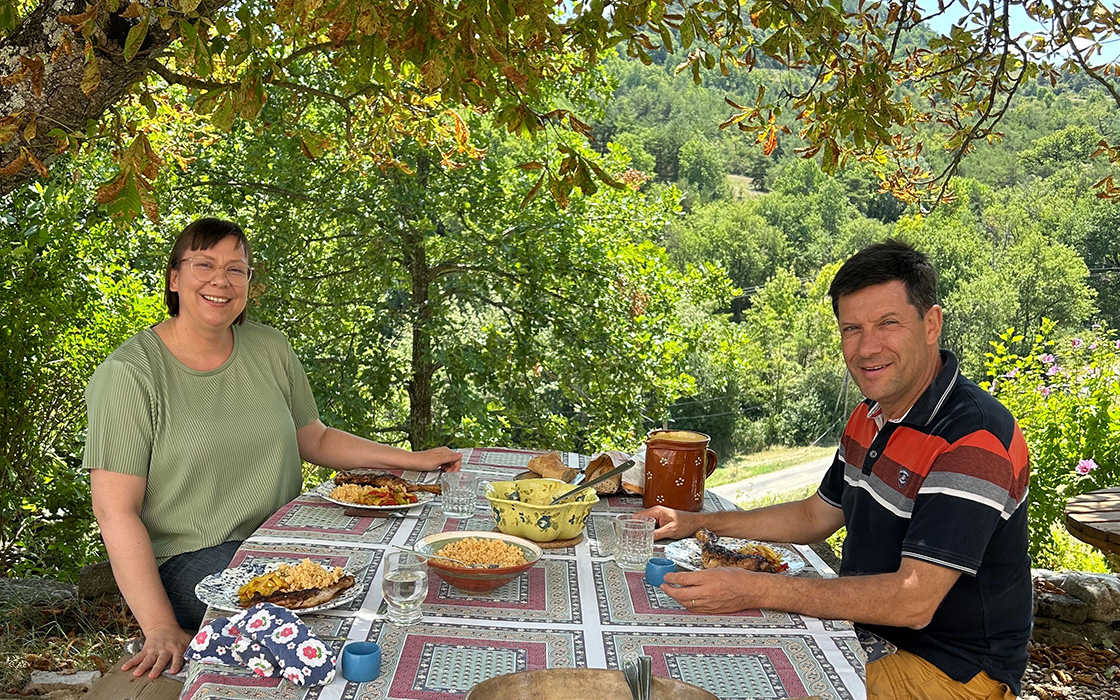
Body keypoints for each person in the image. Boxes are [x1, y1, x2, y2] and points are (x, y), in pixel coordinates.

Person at [641, 240, 1031, 699]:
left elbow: (913, 601)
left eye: (888, 323)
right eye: (852, 328)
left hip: (949, 670)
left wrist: (753, 589)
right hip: (866, 633)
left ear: (931, 324)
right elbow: (814, 516)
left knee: (732, 683)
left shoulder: (973, 437)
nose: (867, 348)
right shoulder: (870, 415)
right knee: (697, 662)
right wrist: (698, 523)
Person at [84, 218, 461, 679]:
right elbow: (114, 511)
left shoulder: (269, 347)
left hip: (287, 535)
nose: (221, 280)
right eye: (204, 265)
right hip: (193, 557)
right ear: (174, 277)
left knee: (396, 578)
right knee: (316, 629)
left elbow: (314, 438)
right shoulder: (129, 373)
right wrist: (160, 627)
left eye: (236, 269)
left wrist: (414, 460)